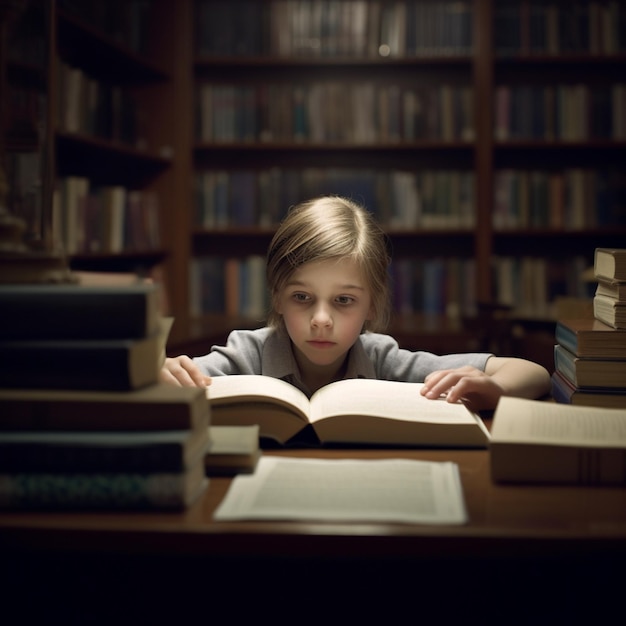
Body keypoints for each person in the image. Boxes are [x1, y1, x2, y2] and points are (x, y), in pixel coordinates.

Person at [160, 195, 550, 411]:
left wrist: (495, 390)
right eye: (302, 298)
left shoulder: (383, 359)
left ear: (371, 306)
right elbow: (160, 382)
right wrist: (161, 372)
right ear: (277, 297)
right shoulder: (245, 353)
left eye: (344, 300)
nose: (321, 319)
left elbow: (532, 372)